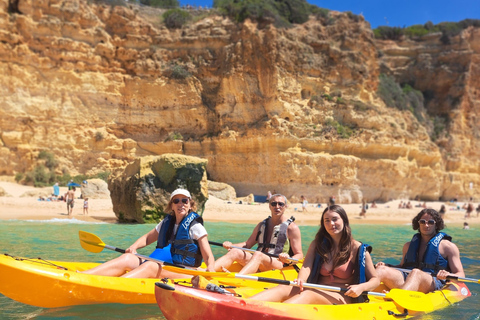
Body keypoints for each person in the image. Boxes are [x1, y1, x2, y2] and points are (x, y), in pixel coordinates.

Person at [252, 205, 379, 304]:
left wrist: (361, 287)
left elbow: (375, 279)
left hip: (341, 295)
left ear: (344, 220)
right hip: (315, 288)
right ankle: (245, 305)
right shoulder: (318, 244)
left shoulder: (357, 248)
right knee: (283, 288)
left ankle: (274, 314)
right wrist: (301, 278)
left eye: (335, 219)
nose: (331, 224)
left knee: (308, 295)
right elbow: (307, 266)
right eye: (327, 221)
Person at [81, 188, 215, 278]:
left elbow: (208, 256)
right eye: (176, 201)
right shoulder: (166, 223)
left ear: (190, 204)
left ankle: (116, 284)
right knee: (128, 258)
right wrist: (133, 247)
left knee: (151, 265)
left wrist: (210, 269)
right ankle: (84, 275)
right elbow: (147, 238)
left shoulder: (195, 227)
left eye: (184, 200)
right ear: (172, 205)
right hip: (166, 267)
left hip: (185, 273)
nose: (181, 204)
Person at [375, 208, 465, 293]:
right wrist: (387, 265)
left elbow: (461, 274)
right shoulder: (408, 246)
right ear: (418, 224)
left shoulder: (448, 247)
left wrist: (448, 275)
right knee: (381, 269)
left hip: (433, 281)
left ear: (436, 224)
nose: (426, 225)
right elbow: (402, 266)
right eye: (422, 222)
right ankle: (363, 293)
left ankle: (398, 296)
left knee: (416, 272)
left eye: (430, 222)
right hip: (408, 277)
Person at [214, 194, 303, 275]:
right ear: (269, 206)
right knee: (235, 252)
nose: (277, 207)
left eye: (281, 204)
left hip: (278, 264)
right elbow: (247, 244)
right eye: (273, 204)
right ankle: (209, 270)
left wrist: (288, 259)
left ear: (285, 206)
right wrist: (231, 246)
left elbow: (299, 254)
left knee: (258, 254)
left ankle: (238, 278)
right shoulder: (261, 225)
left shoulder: (292, 228)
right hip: (259, 260)